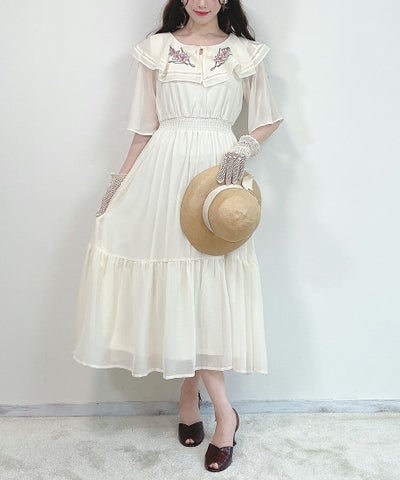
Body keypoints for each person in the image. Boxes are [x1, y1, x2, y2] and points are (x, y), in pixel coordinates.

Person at [72, 0, 284, 472]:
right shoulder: (156, 49)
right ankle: (205, 402)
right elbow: (143, 129)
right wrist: (119, 183)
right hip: (161, 175)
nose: (202, 1)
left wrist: (243, 147)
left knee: (207, 287)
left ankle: (213, 408)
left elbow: (267, 117)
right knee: (178, 284)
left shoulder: (245, 53)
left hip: (216, 177)